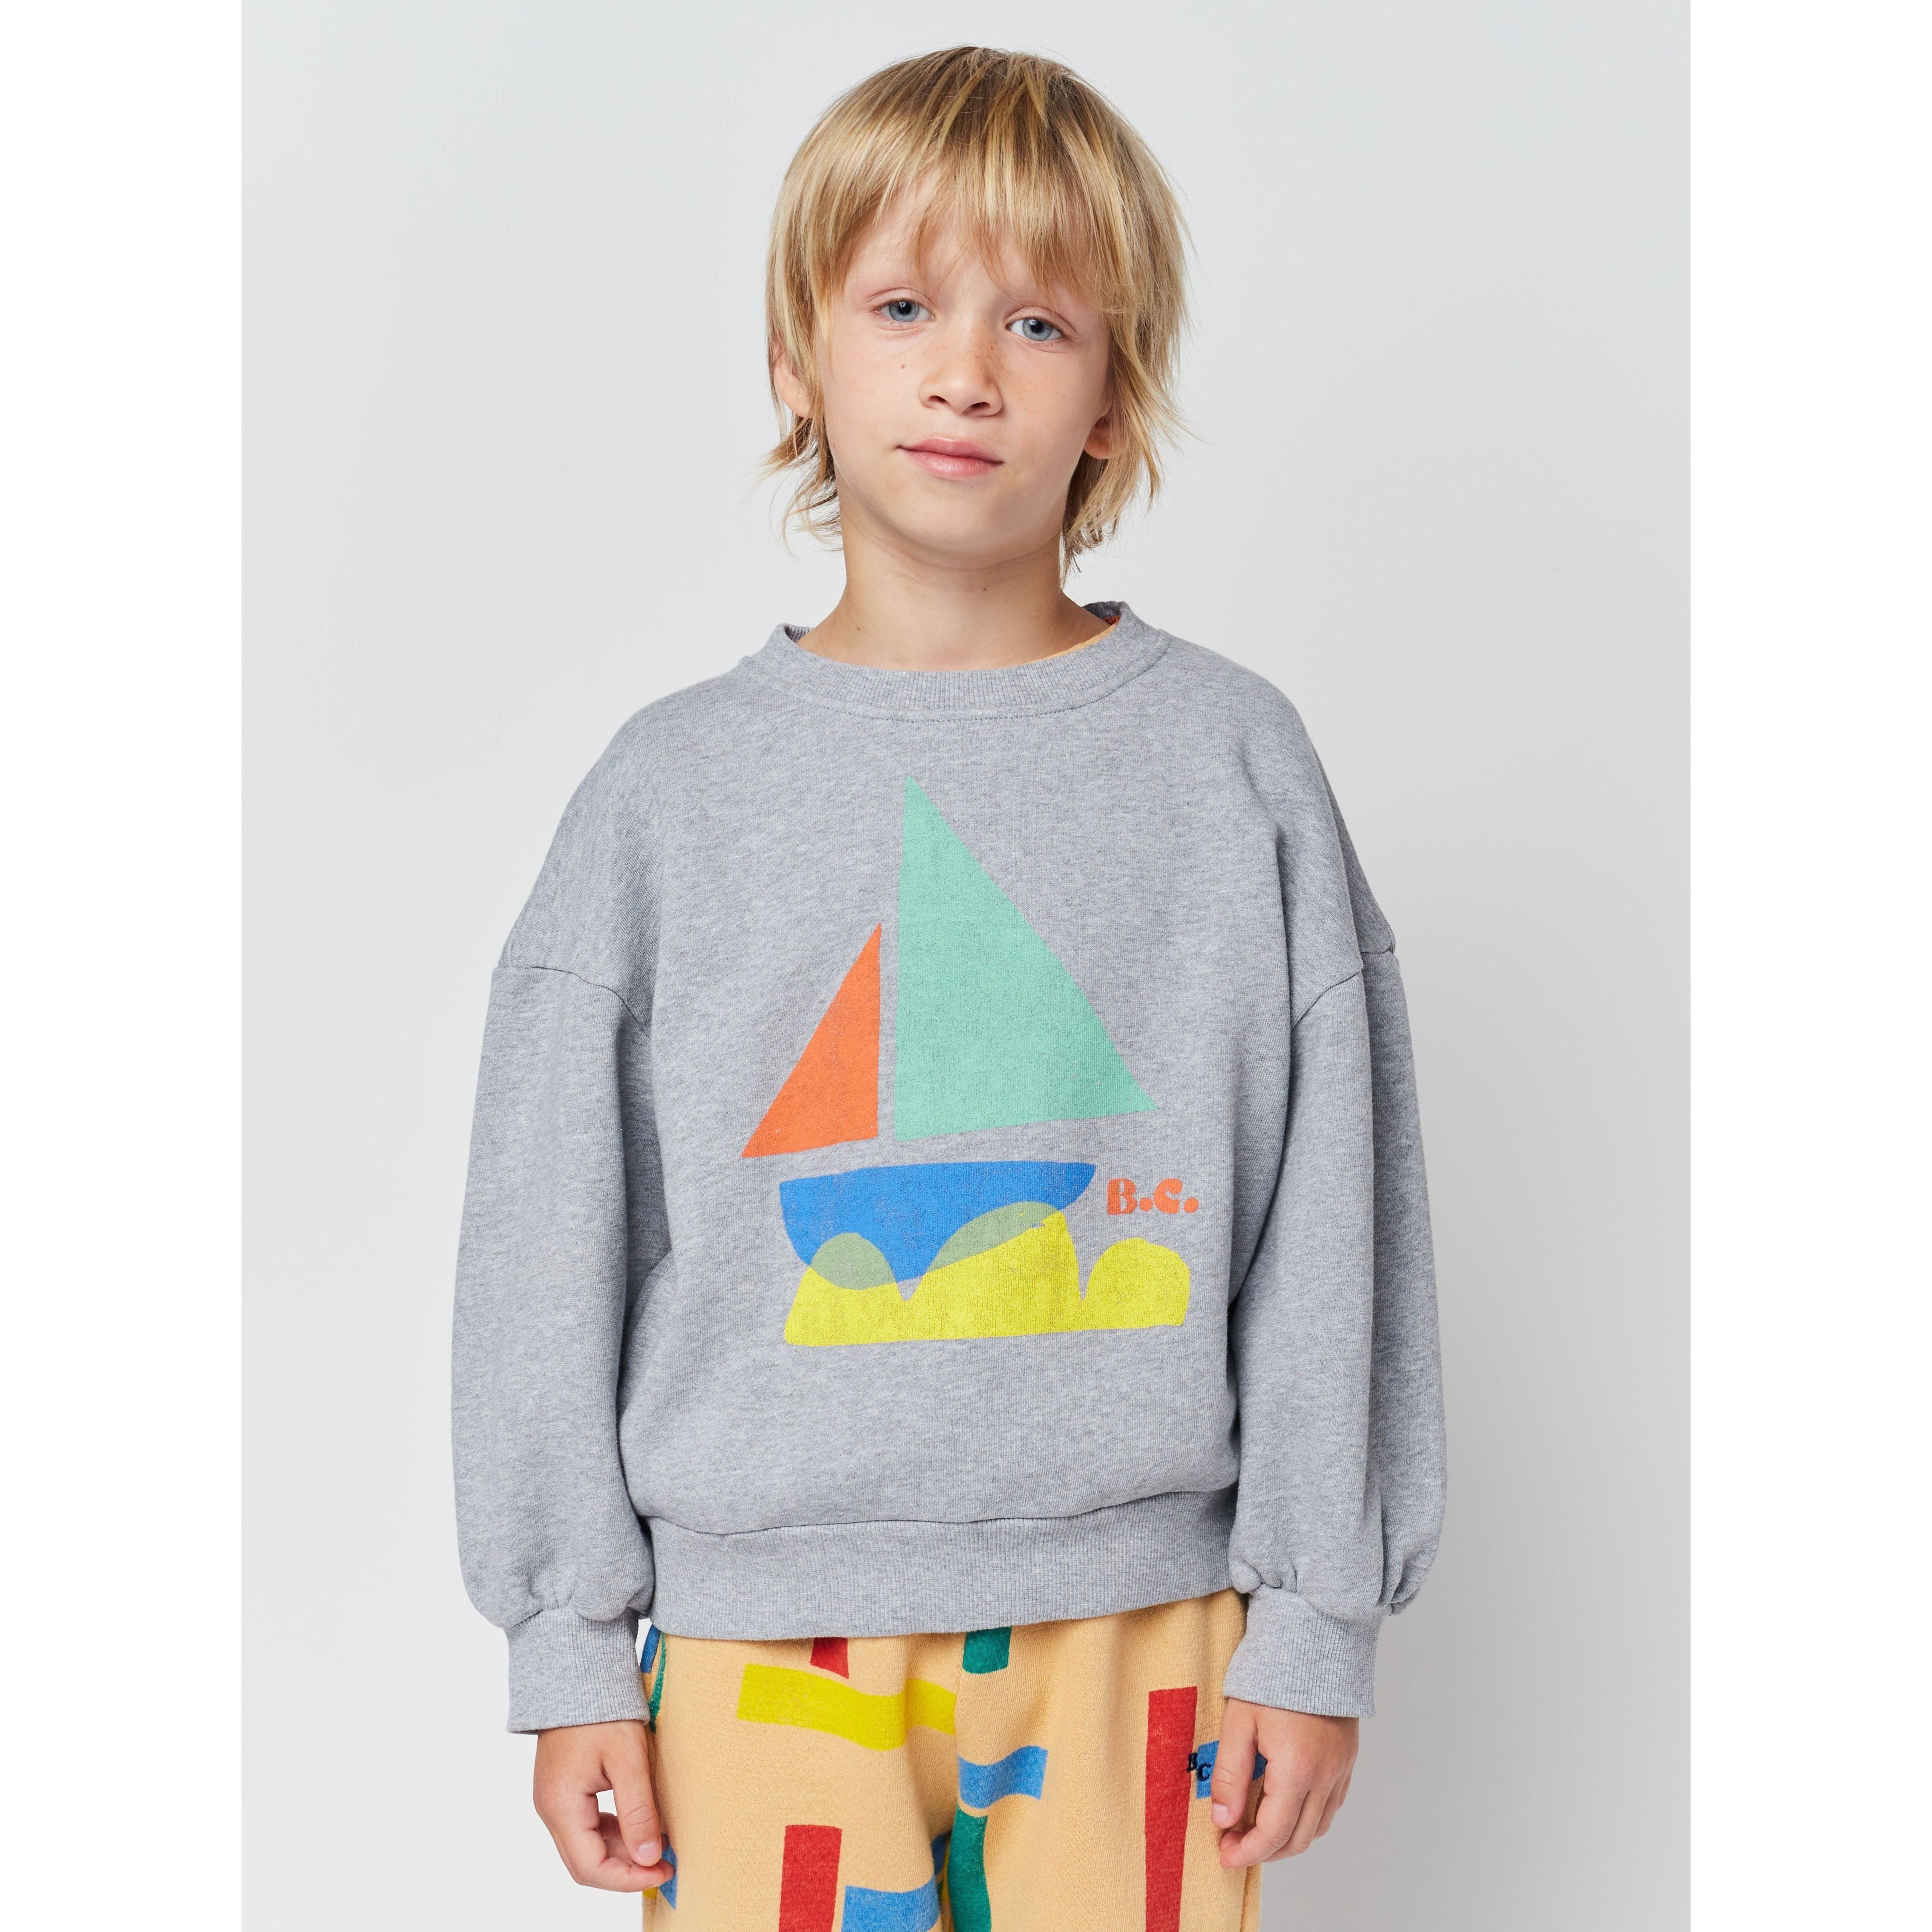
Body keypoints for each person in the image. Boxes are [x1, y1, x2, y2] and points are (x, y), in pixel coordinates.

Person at [452, 45, 1445, 1932]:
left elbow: (1339, 1215)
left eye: (1038, 321)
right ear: (796, 362)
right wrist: (567, 1640)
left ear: (1114, 395)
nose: (966, 371)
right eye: (902, 306)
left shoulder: (1233, 767)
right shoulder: (667, 795)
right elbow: (545, 1236)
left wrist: (1318, 1614)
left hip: (1148, 1628)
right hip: (755, 1638)